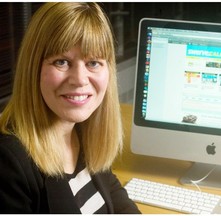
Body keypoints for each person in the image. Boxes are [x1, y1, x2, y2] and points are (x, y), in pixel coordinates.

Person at [0, 2, 141, 214]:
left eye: (93, 63)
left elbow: (116, 197)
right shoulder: (9, 163)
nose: (79, 79)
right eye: (62, 62)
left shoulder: (84, 129)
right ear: (33, 69)